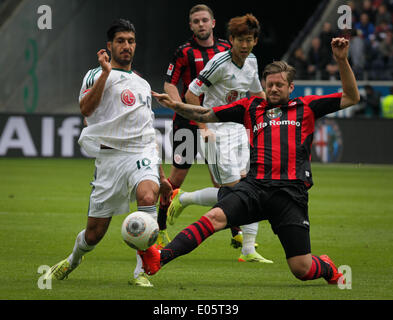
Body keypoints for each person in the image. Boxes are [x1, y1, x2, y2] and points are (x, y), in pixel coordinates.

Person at [142, 37, 360, 285]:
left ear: (291, 87)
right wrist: (176, 105)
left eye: (280, 85)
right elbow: (205, 113)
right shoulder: (251, 107)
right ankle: (160, 258)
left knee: (302, 269)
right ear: (264, 86)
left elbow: (352, 97)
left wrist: (341, 60)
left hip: (290, 194)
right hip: (254, 188)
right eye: (270, 85)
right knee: (213, 218)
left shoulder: (307, 107)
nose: (275, 89)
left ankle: (328, 269)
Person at [44, 19, 172, 288]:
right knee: (94, 234)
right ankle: (72, 260)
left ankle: (142, 271)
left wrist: (161, 174)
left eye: (131, 41)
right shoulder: (95, 74)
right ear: (110, 46)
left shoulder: (141, 82)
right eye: (121, 41)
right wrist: (105, 73)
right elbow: (86, 109)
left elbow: (148, 129)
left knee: (147, 195)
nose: (127, 46)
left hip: (141, 152)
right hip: (110, 159)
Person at [168, 13, 272, 263]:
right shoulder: (218, 62)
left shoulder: (253, 61)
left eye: (249, 40)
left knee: (251, 187)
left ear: (255, 41)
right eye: (240, 40)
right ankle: (185, 199)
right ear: (232, 40)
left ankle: (248, 250)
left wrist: (270, 118)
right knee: (235, 192)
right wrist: (203, 128)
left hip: (240, 131)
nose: (244, 45)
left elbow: (257, 93)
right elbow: (192, 94)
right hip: (216, 134)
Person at [157, 4, 233, 248]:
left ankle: (238, 235)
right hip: (186, 125)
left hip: (217, 124)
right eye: (196, 21)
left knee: (223, 182)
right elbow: (170, 84)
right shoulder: (183, 52)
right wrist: (181, 107)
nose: (201, 24)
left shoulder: (226, 50)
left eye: (204, 20)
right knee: (176, 180)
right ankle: (159, 229)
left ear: (212, 23)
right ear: (191, 26)